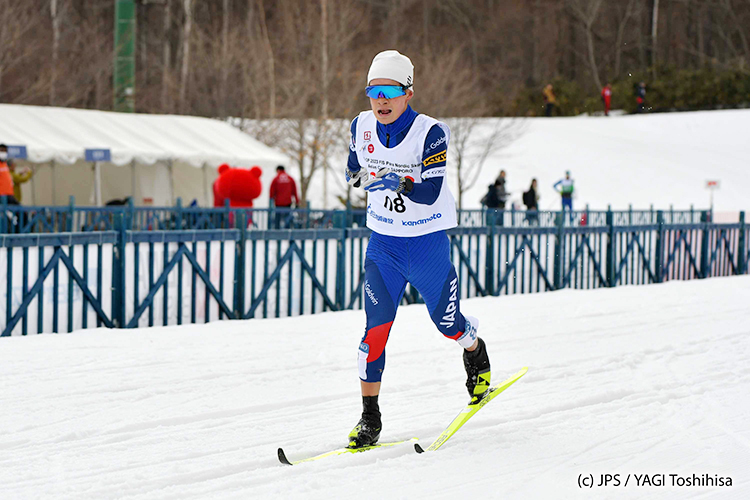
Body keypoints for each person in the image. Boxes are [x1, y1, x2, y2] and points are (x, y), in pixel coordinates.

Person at [344, 50, 492, 448]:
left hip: (426, 246)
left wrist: (397, 182)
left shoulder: (432, 133)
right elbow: (353, 165)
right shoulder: (360, 125)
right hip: (384, 249)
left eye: (391, 90)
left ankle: (474, 348)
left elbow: (430, 192)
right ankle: (369, 418)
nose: (381, 100)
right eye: (374, 91)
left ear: (408, 92)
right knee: (374, 332)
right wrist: (357, 175)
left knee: (447, 325)